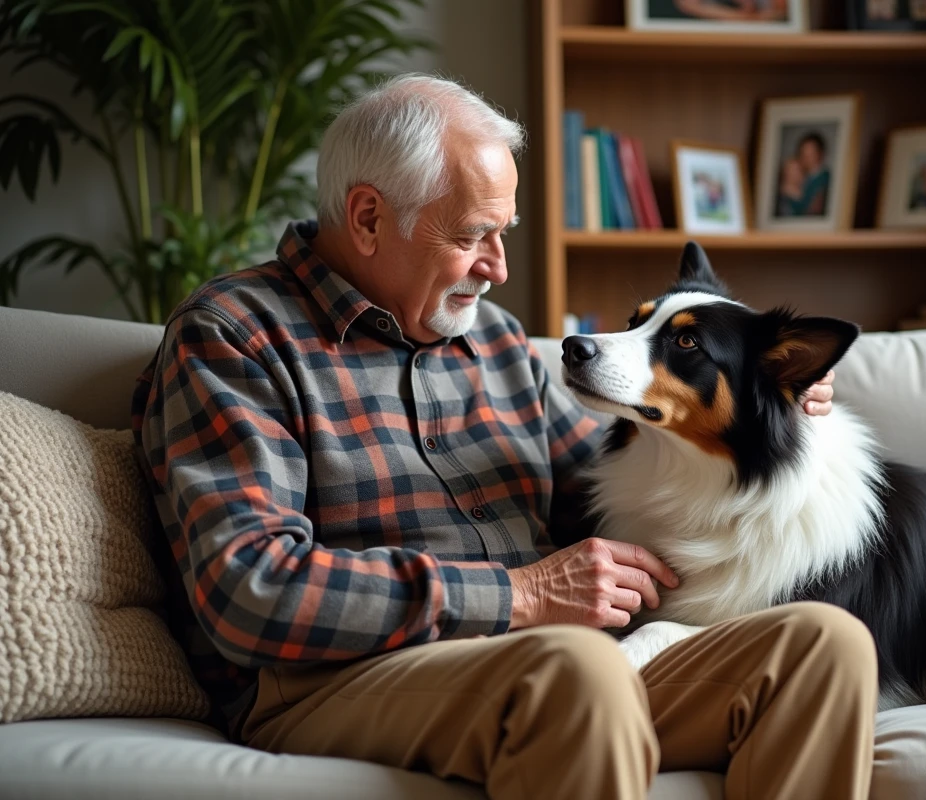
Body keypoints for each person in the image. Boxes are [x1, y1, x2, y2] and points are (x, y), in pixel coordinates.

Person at [132, 74, 874, 800]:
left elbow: (617, 487)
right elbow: (249, 589)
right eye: (472, 236)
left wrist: (764, 394)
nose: (498, 267)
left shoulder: (495, 342)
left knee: (822, 644)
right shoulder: (236, 337)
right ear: (367, 219)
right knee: (576, 669)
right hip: (335, 678)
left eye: (502, 233)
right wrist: (516, 596)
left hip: (544, 662)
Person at [777, 132, 830, 217]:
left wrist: (792, 194)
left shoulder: (824, 179)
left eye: (811, 154)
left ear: (820, 154)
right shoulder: (805, 177)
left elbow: (809, 211)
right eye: (803, 153)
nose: (806, 158)